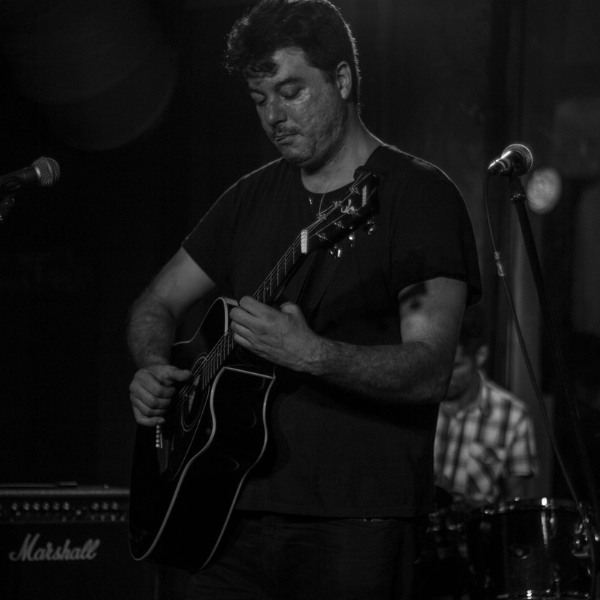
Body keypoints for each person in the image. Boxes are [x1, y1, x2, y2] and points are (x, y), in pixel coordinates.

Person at [127, 1, 481, 598]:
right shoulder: (248, 198)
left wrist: (312, 353)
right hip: (221, 514)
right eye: (260, 99)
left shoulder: (418, 196)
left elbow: (429, 371)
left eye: (291, 92)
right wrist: (152, 366)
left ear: (341, 79)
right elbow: (154, 303)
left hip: (354, 521)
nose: (274, 116)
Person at [434, 304, 538, 506]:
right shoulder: (420, 403)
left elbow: (516, 501)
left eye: (456, 366)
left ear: (480, 356)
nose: (445, 375)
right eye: (440, 365)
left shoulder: (512, 415)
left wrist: (469, 506)